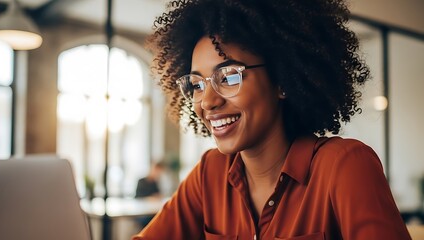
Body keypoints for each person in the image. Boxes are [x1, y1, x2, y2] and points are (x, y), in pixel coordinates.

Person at [134, 0, 412, 239]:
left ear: (282, 81)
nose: (207, 101)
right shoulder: (210, 174)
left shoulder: (344, 165)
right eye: (196, 84)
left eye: (229, 76)